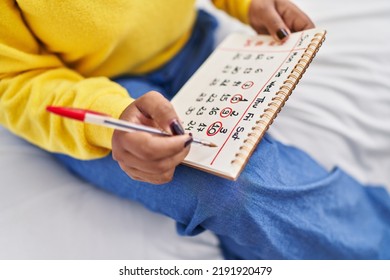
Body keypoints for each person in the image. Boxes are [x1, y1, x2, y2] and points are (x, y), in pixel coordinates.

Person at [1, 0, 389, 259]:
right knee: (227, 189)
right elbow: (12, 77)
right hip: (94, 99)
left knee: (239, 172)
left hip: (191, 44)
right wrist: (112, 117)